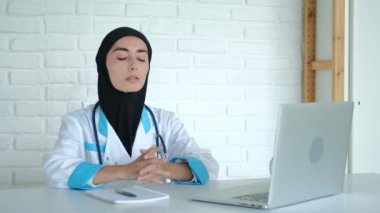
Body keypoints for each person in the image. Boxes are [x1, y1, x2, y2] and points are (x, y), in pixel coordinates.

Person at [42, 27, 219, 190]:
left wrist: (167, 169)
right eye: (121, 57)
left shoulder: (166, 121)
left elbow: (209, 167)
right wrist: (126, 171)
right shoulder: (78, 122)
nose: (134, 64)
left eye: (142, 58)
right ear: (103, 65)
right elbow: (55, 170)